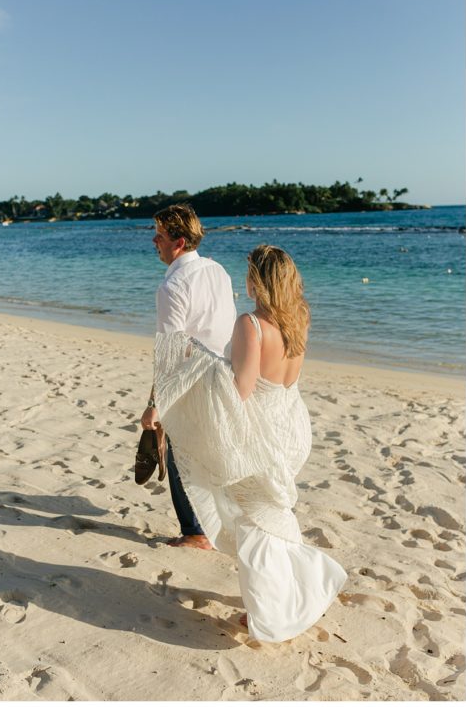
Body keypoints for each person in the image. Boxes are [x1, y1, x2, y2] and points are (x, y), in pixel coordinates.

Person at [153, 245, 347, 641]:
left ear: (257, 280)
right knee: (269, 512)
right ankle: (294, 587)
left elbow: (240, 389)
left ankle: (275, 608)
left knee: (255, 521)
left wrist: (201, 361)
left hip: (257, 430)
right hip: (289, 422)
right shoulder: (299, 317)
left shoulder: (251, 324)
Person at [140, 204, 236, 549]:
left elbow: (169, 352)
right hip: (227, 372)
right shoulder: (218, 270)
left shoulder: (173, 286)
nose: (154, 240)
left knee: (180, 453)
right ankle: (213, 526)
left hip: (192, 375)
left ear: (178, 242)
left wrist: (155, 404)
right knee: (210, 452)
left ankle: (196, 532)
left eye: (160, 235)